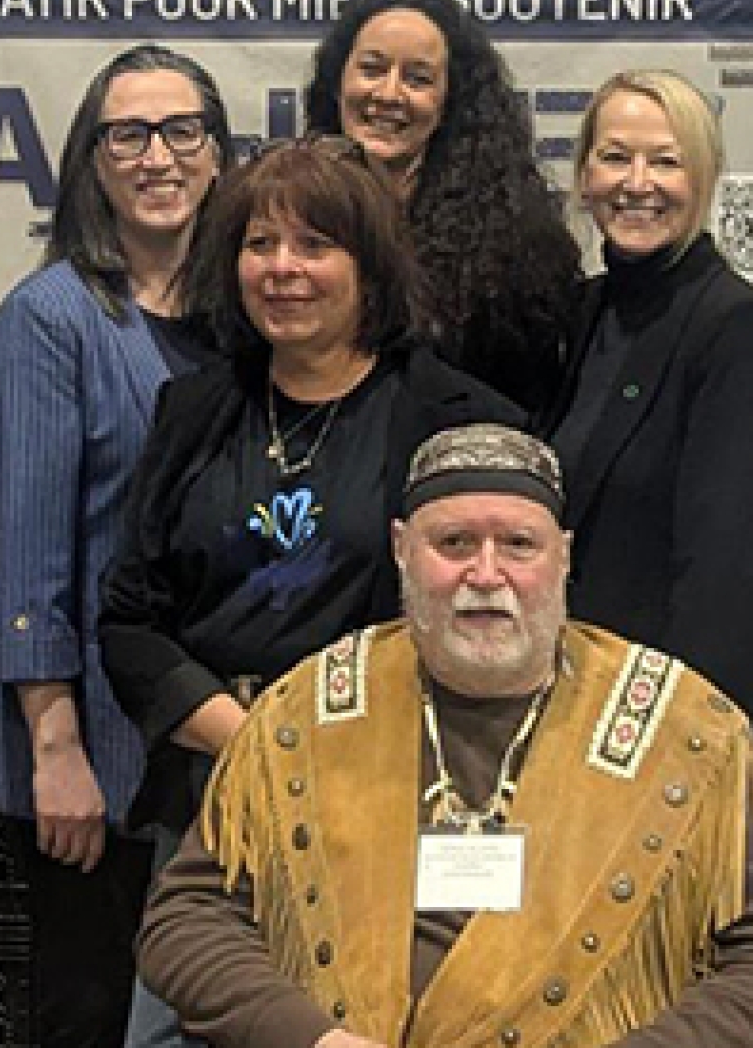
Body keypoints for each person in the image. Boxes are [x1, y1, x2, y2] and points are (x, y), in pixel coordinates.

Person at [137, 422, 753, 1048]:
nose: (485, 574)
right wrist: (313, 1039)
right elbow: (190, 916)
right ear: (400, 549)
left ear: (563, 555)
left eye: (519, 546)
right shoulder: (301, 716)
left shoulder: (688, 731)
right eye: (454, 543)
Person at [99, 135, 522, 1048]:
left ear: (370, 269)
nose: (282, 269)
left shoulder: (462, 423)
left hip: (383, 806)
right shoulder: (193, 411)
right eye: (259, 244)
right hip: (215, 798)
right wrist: (251, 743)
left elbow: (495, 624)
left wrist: (315, 750)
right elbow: (130, 620)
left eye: (313, 246)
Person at [0, 44, 234, 1047]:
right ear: (91, 158)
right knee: (86, 1012)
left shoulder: (239, 321)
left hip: (203, 746)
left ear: (216, 154)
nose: (157, 155)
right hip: (94, 761)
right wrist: (55, 747)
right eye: (129, 133)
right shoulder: (50, 321)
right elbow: (26, 556)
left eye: (181, 130)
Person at [543, 68, 753, 770]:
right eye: (615, 155)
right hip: (580, 714)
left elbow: (725, 580)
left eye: (666, 161)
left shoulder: (740, 330)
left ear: (701, 180)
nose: (636, 181)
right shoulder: (582, 315)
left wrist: (673, 750)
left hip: (672, 740)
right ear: (585, 174)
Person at [305, 0, 582, 415]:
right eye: (372, 69)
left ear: (450, 101)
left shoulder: (513, 246)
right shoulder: (287, 211)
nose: (389, 94)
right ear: (337, 83)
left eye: (418, 78)